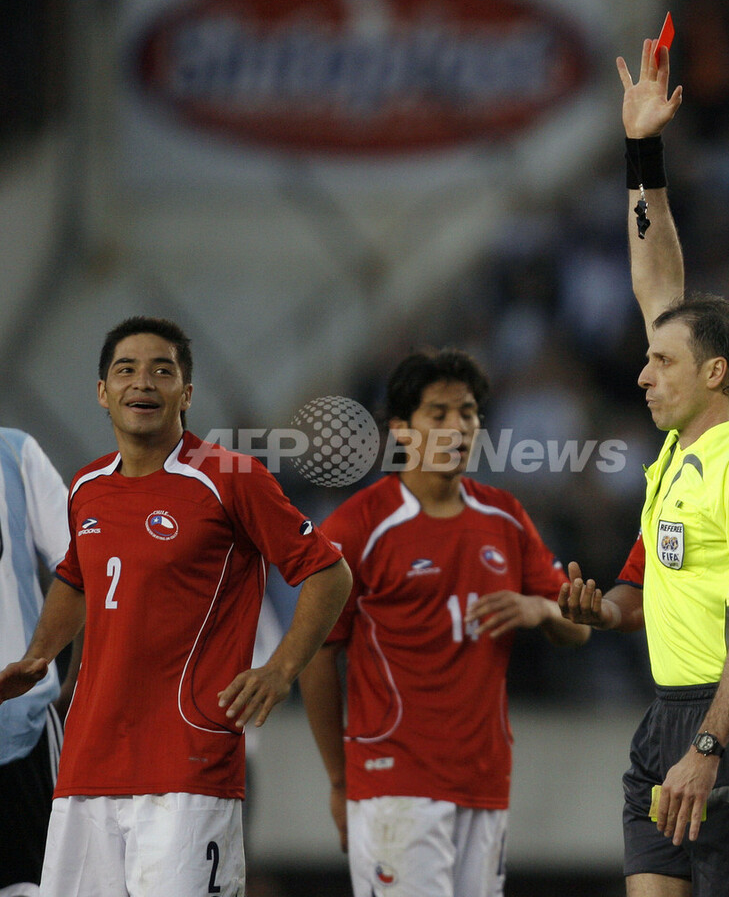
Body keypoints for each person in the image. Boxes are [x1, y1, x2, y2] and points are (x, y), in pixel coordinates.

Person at [559, 39, 729, 897]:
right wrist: (641, 153)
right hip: (695, 711)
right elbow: (657, 283)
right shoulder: (684, 458)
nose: (644, 372)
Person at [0, 316, 352, 897]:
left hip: (187, 767)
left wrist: (281, 667)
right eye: (126, 370)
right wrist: (40, 655)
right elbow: (76, 577)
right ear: (102, 393)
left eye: (162, 370)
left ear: (185, 394)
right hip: (86, 769)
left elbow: (328, 571)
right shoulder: (88, 486)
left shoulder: (231, 477)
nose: (143, 382)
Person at [298, 348, 591, 897]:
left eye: (469, 413)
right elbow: (318, 655)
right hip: (394, 781)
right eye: (439, 414)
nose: (458, 427)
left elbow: (577, 629)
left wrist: (540, 608)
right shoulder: (357, 527)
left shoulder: (505, 515)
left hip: (484, 780)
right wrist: (340, 779)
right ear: (402, 431)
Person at [0, 428, 77, 897]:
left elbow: (84, 562)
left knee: (35, 885)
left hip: (18, 726)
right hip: (23, 723)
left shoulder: (14, 451)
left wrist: (78, 673)